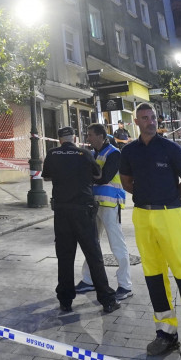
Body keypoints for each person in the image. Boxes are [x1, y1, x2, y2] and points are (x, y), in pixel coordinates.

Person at [118, 102, 181, 360]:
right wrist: (146, 196)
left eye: (152, 117)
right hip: (142, 216)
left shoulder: (171, 149)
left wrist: (169, 197)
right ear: (135, 122)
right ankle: (166, 334)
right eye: (144, 118)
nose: (149, 121)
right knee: (153, 275)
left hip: (169, 215)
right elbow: (126, 181)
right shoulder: (129, 151)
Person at [41, 126, 120, 315]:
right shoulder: (84, 153)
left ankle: (66, 300)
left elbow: (47, 176)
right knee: (94, 255)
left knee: (65, 256)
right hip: (83, 211)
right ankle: (107, 300)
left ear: (59, 139)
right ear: (74, 137)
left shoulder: (52, 154)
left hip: (61, 211)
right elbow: (98, 175)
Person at [73, 123, 133, 301]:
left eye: (91, 135)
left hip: (110, 204)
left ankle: (125, 285)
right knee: (91, 243)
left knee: (117, 244)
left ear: (100, 136)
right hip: (94, 205)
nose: (88, 138)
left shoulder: (114, 153)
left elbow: (105, 177)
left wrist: (85, 176)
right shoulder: (93, 154)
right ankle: (89, 279)